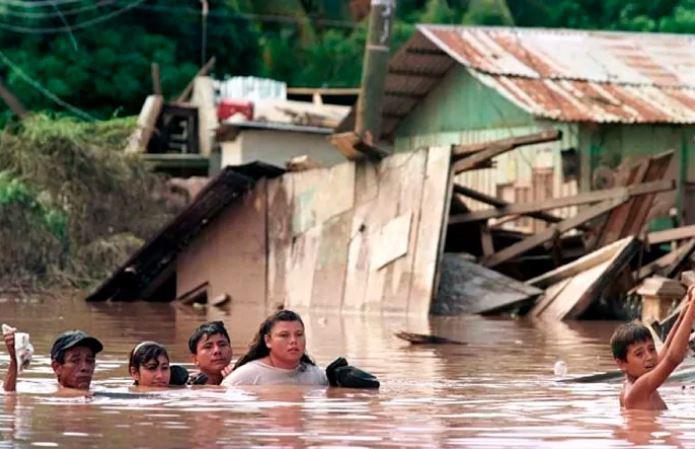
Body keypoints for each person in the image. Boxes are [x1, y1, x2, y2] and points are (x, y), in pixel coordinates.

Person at [611, 285, 695, 410]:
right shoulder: (638, 389)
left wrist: (683, 315)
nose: (649, 357)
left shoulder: (639, 378)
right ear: (622, 364)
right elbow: (672, 359)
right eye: (639, 354)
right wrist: (693, 307)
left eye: (651, 349)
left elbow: (667, 347)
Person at [222, 310, 327, 386]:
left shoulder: (319, 376)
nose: (293, 340)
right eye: (284, 335)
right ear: (268, 341)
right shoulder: (244, 377)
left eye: (299, 334)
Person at [187, 321, 233, 385]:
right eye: (208, 347)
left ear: (231, 350)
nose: (217, 351)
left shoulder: (245, 378)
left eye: (222, 345)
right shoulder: (187, 385)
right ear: (195, 359)